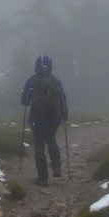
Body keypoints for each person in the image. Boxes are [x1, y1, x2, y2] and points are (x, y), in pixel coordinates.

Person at [20, 54, 68, 186]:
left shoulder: (32, 80)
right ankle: (56, 166)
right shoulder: (55, 81)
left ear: (36, 66)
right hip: (54, 118)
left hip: (37, 118)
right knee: (51, 139)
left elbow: (24, 101)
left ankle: (42, 178)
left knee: (39, 146)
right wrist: (64, 114)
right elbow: (63, 99)